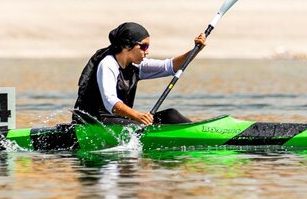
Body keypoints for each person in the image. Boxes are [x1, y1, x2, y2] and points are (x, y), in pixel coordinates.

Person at [72, 22, 206, 126]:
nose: (146, 52)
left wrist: (196, 50)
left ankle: (200, 132)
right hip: (94, 123)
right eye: (144, 46)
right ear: (127, 46)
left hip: (119, 121)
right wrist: (137, 116)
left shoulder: (136, 66)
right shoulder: (107, 64)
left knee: (171, 115)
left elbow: (170, 67)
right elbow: (110, 102)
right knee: (141, 125)